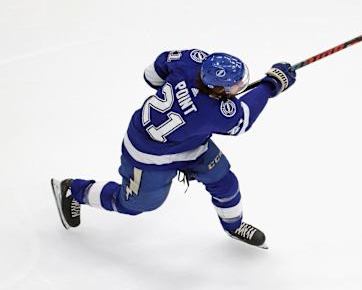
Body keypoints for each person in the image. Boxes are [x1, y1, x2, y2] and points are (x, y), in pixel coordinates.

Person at [51, 49, 296, 249]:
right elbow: (244, 118)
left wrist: (178, 92)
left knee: (225, 181)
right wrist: (271, 84)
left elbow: (152, 74)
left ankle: (233, 226)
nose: (241, 84)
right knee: (133, 204)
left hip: (190, 144)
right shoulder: (210, 113)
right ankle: (74, 190)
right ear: (217, 89)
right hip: (149, 156)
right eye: (234, 85)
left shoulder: (193, 60)